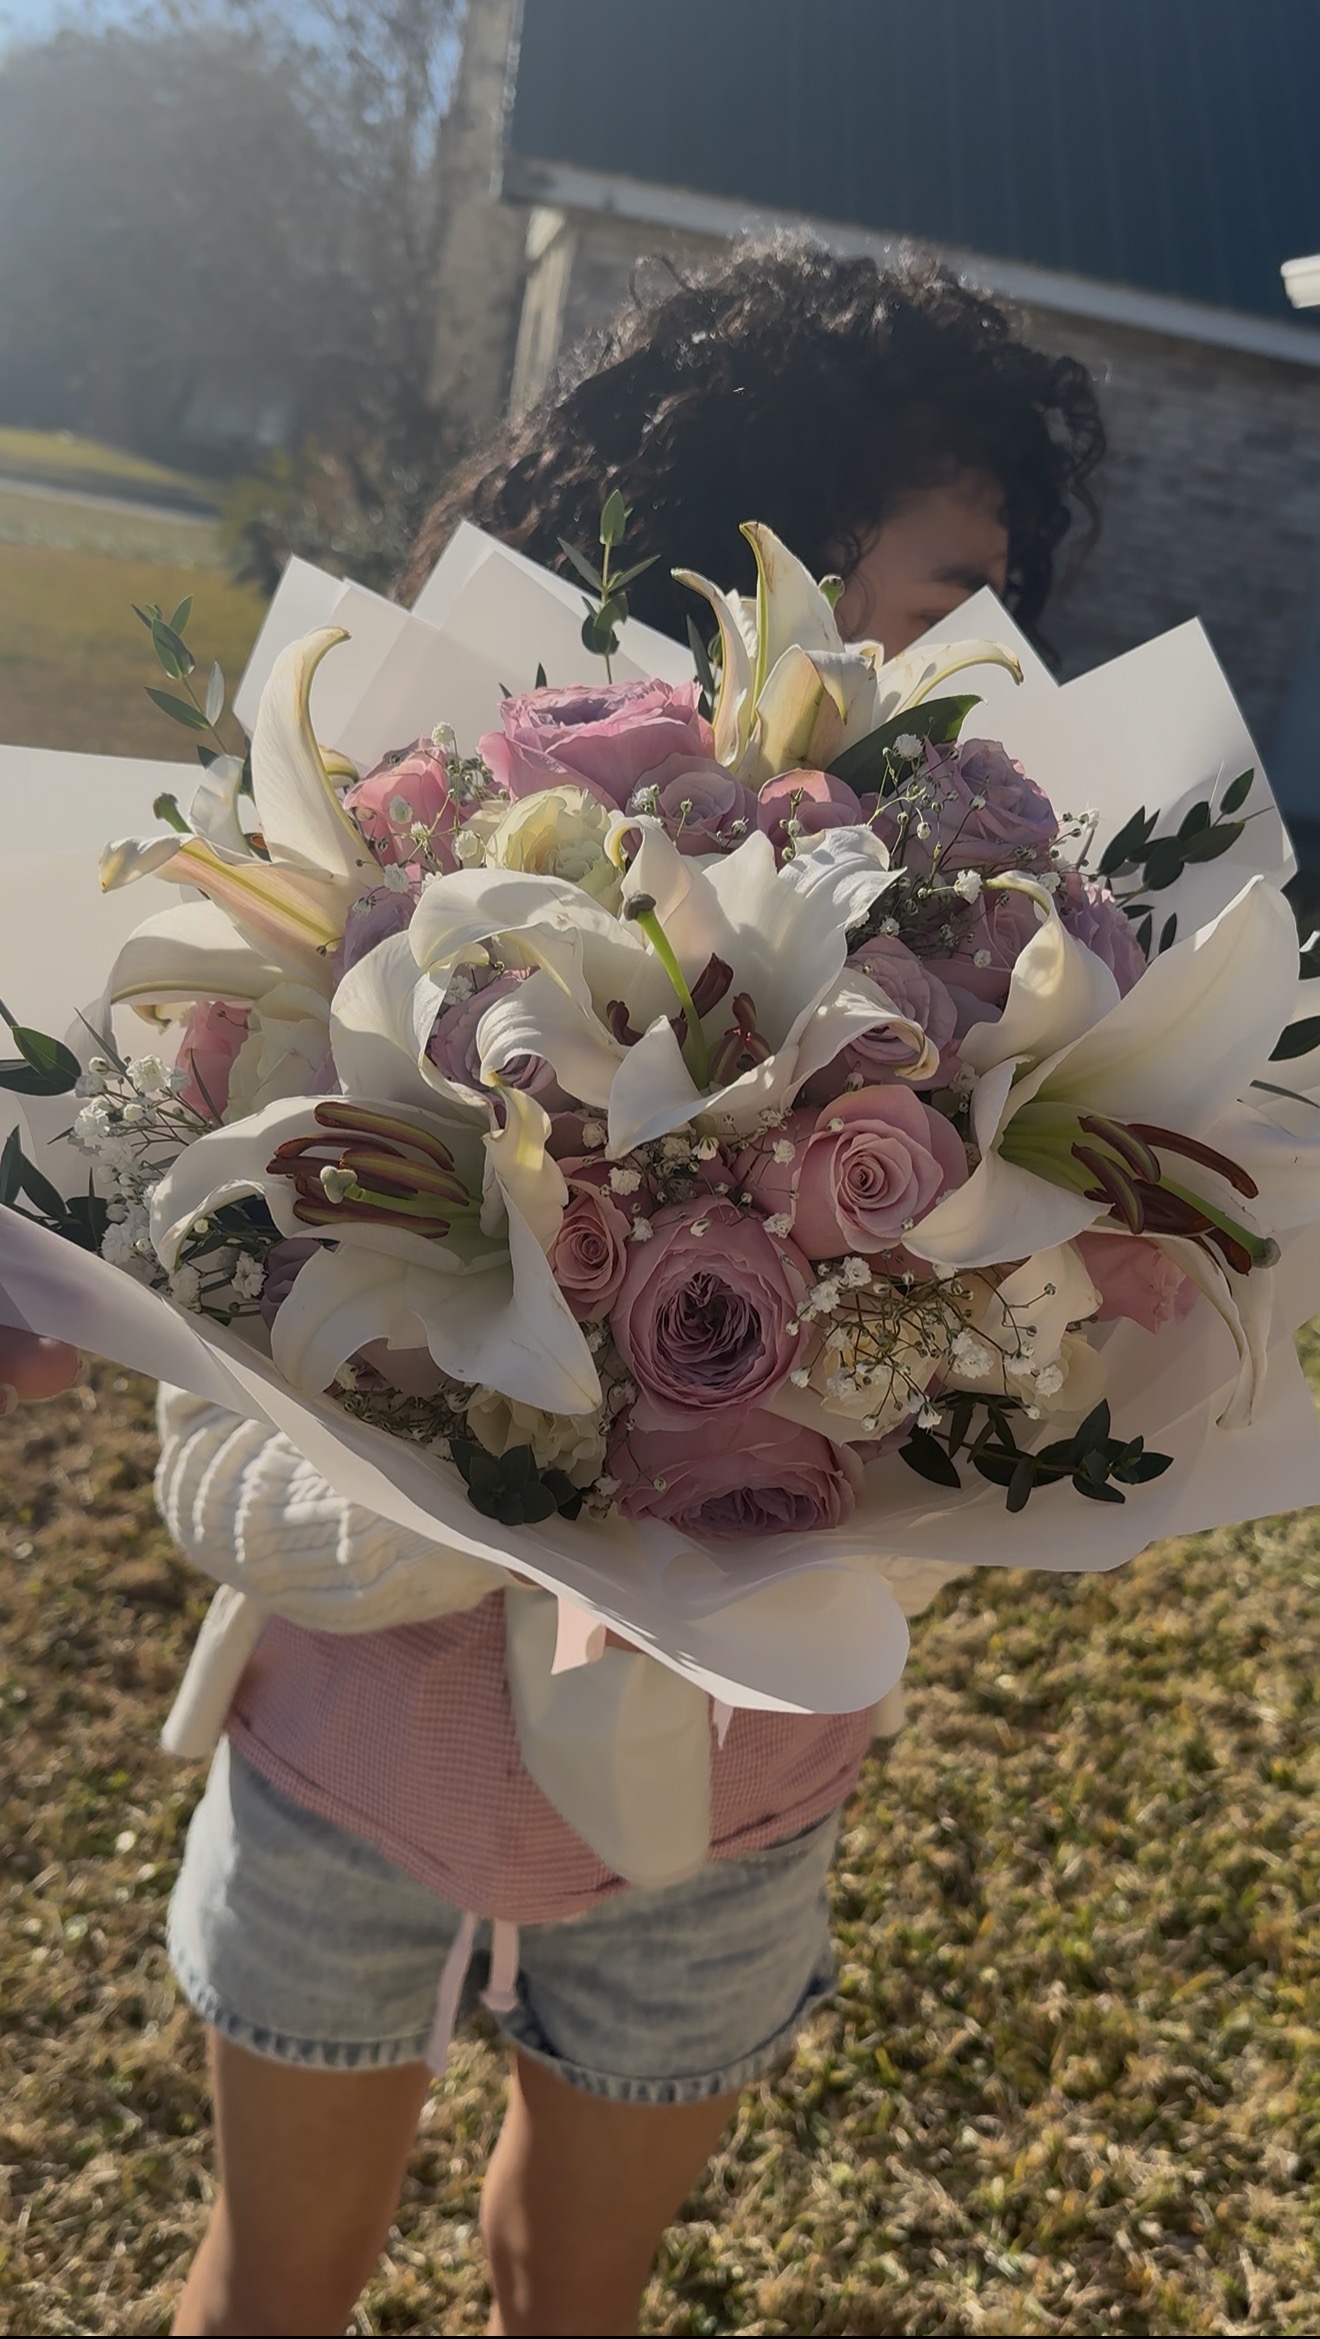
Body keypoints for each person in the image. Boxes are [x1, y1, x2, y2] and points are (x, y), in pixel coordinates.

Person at [155, 242, 1104, 2339]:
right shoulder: (433, 847)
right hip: (348, 1753)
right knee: (266, 2298)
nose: (990, 668)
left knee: (565, 2292)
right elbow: (215, 1381)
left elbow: (986, 1416)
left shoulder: (983, 957)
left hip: (723, 1803)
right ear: (743, 552)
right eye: (948, 600)